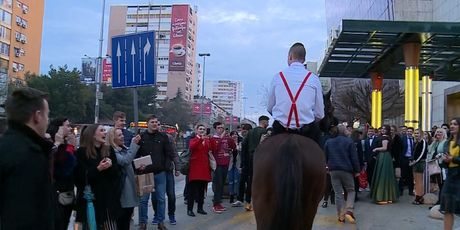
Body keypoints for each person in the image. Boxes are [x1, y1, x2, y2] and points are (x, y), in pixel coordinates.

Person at [0, 88, 54, 230]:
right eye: (47, 115)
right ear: (37, 116)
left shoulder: (6, 145)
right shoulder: (29, 154)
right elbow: (24, 215)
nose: (48, 121)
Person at [267, 42, 324, 145]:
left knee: (262, 152)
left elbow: (270, 108)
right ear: (304, 59)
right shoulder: (314, 79)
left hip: (281, 129)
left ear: (290, 56)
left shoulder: (278, 77)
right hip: (307, 132)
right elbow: (319, 113)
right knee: (321, 154)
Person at [74, 124, 122, 229]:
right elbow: (79, 178)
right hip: (89, 201)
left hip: (107, 202)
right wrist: (98, 169)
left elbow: (116, 175)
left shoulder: (109, 150)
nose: (105, 132)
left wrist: (110, 167)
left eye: (105, 130)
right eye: (101, 130)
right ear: (92, 135)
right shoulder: (81, 152)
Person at [136, 115, 175, 230]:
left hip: (160, 172)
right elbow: (136, 154)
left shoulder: (163, 137)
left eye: (156, 122)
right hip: (146, 173)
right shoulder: (141, 137)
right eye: (152, 122)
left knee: (161, 199)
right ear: (147, 123)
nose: (154, 124)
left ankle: (160, 222)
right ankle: (143, 223)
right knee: (143, 200)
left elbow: (169, 153)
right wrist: (139, 167)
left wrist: (166, 166)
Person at [324, 124, 360, 224]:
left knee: (338, 193)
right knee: (351, 190)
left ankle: (341, 215)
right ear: (344, 131)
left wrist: (327, 167)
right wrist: (357, 171)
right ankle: (349, 210)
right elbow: (354, 158)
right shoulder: (349, 141)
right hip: (346, 170)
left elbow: (325, 157)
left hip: (333, 170)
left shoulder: (329, 142)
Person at [107, 128, 141, 230]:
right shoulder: (113, 151)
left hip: (129, 187)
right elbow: (125, 161)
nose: (122, 137)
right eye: (119, 135)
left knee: (127, 217)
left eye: (122, 134)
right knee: (122, 219)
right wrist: (134, 145)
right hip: (122, 190)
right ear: (113, 139)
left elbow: (129, 162)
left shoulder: (124, 148)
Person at [233, 116, 269, 210]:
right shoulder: (265, 132)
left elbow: (244, 146)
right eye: (267, 122)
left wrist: (243, 162)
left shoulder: (251, 132)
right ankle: (252, 202)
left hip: (249, 158)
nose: (268, 124)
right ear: (264, 122)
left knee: (245, 179)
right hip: (259, 159)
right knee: (254, 181)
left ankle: (243, 200)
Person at [47, 117, 77, 230]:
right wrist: (69, 147)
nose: (70, 128)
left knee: (64, 223)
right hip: (56, 193)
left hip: (67, 192)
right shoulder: (51, 143)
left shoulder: (65, 144)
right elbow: (65, 168)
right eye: (67, 125)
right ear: (58, 127)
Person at [152, 128, 180, 226]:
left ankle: (171, 214)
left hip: (167, 170)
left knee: (171, 195)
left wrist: (177, 168)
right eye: (155, 123)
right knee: (155, 196)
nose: (157, 126)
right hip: (156, 170)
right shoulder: (151, 138)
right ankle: (156, 215)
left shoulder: (169, 138)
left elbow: (174, 154)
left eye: (158, 124)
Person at [210, 122, 236, 213]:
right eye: (218, 128)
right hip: (217, 165)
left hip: (226, 164)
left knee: (222, 185)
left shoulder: (226, 138)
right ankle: (215, 204)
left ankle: (219, 203)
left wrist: (230, 138)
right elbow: (214, 149)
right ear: (215, 129)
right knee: (218, 184)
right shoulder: (213, 139)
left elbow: (233, 146)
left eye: (222, 127)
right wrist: (221, 138)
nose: (221, 129)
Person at [187, 124, 213, 216]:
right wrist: (201, 139)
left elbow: (211, 149)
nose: (202, 130)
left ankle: (200, 208)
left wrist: (209, 139)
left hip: (204, 168)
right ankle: (190, 209)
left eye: (203, 129)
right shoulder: (193, 140)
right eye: (200, 129)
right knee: (192, 191)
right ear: (196, 130)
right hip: (195, 168)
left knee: (202, 190)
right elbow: (192, 147)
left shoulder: (206, 140)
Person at [440, 118, 460, 230]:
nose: (452, 126)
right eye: (451, 124)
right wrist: (445, 160)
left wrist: (453, 158)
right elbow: (446, 163)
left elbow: (455, 159)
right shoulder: (447, 142)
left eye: (455, 124)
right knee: (448, 209)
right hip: (450, 177)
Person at [370, 125, 399, 204]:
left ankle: (382, 197)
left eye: (384, 129)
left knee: (382, 176)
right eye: (382, 128)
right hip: (385, 157)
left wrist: (376, 149)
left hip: (384, 156)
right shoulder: (386, 137)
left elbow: (384, 148)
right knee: (386, 176)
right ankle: (388, 197)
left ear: (387, 130)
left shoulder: (385, 137)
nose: (382, 130)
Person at [427, 128, 448, 205]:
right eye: (437, 132)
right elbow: (429, 150)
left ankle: (440, 202)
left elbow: (446, 152)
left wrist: (440, 155)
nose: (438, 133)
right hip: (435, 166)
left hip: (442, 166)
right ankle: (440, 202)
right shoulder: (435, 142)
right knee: (439, 184)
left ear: (444, 133)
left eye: (440, 132)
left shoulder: (445, 142)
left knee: (442, 184)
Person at [410, 129, 428, 205]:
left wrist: (415, 161)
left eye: (418, 133)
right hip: (415, 163)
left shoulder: (423, 142)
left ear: (421, 134)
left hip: (420, 163)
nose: (416, 134)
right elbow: (414, 153)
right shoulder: (415, 142)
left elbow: (422, 153)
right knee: (416, 181)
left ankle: (419, 198)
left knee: (419, 181)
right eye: (415, 133)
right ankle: (418, 196)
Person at [400, 127, 415, 196]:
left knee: (411, 176)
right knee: (402, 175)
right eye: (408, 131)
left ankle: (411, 191)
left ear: (413, 132)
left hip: (412, 159)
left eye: (410, 131)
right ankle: (400, 190)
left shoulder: (415, 139)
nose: (409, 132)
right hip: (404, 159)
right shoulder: (402, 139)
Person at [228, 131, 242, 204]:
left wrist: (237, 146)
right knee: (231, 181)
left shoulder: (240, 143)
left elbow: (241, 151)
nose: (234, 136)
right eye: (233, 134)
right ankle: (231, 196)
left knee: (237, 181)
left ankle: (237, 196)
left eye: (236, 134)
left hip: (237, 164)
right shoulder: (228, 143)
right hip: (230, 164)